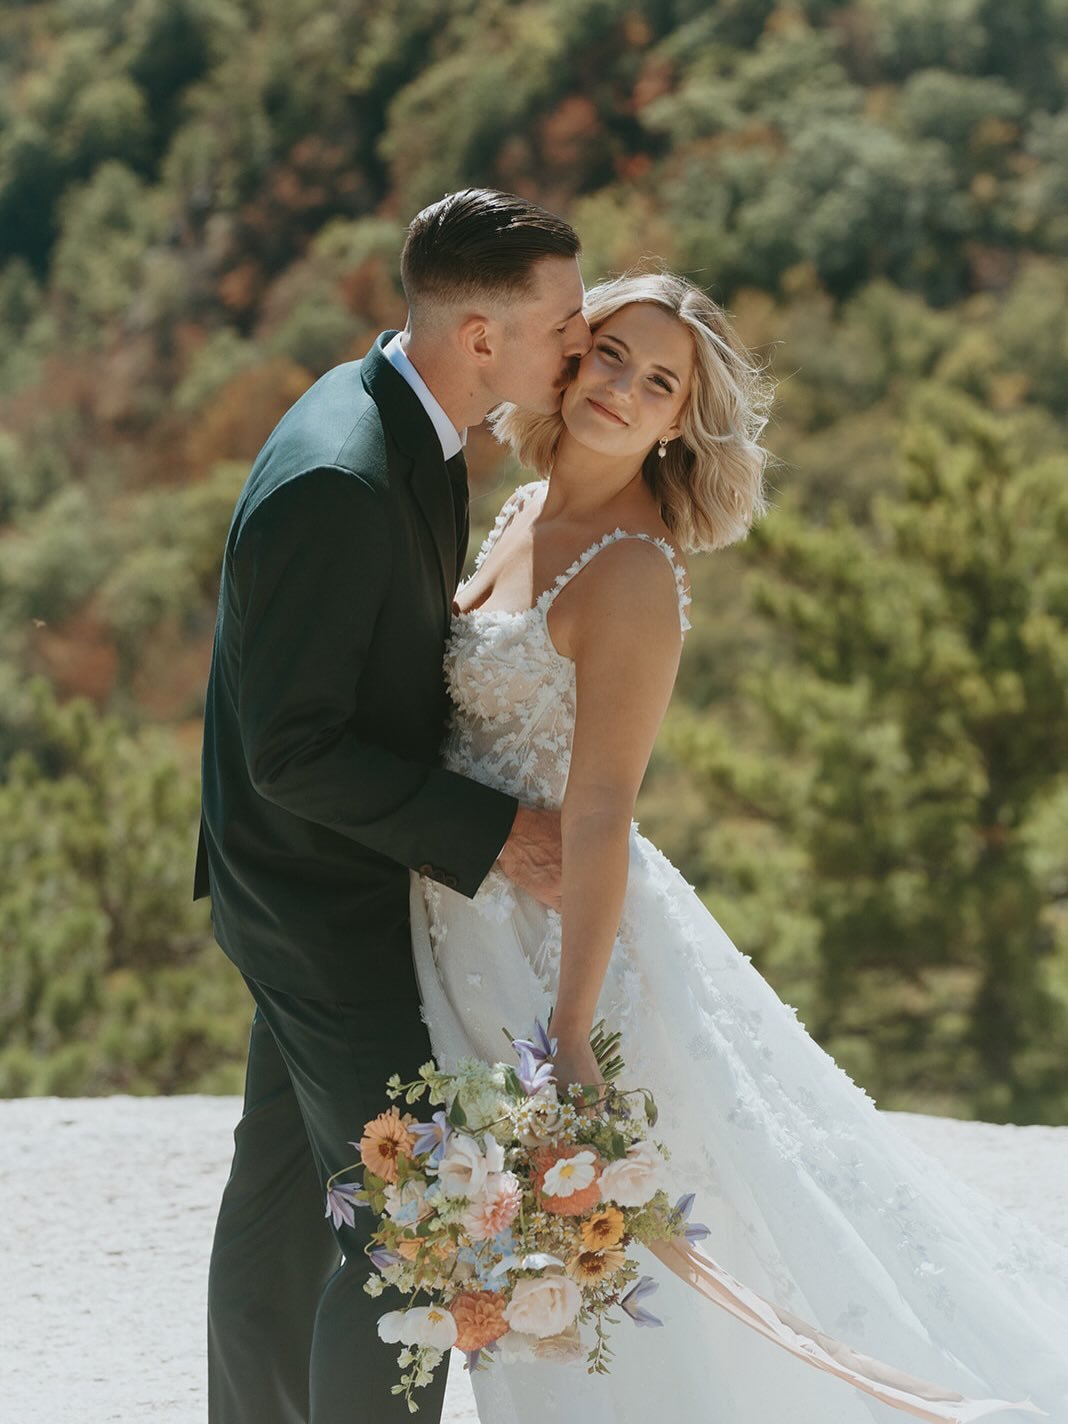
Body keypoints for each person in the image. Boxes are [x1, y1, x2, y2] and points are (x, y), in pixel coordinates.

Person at [410, 271, 1068, 1423]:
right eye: (612, 354)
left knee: (627, 1263)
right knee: (499, 1259)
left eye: (660, 382)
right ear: (569, 354)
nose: (623, 388)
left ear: (680, 423)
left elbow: (606, 805)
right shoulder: (516, 508)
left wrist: (569, 1033)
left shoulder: (629, 573)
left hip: (562, 949)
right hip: (461, 916)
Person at [197, 188, 592, 1424]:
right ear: (482, 338)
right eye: (567, 324)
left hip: (319, 880)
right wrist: (500, 835)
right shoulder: (343, 475)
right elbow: (294, 751)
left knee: (281, 1214)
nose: (580, 345)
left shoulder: (403, 416)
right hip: (317, 899)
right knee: (412, 1237)